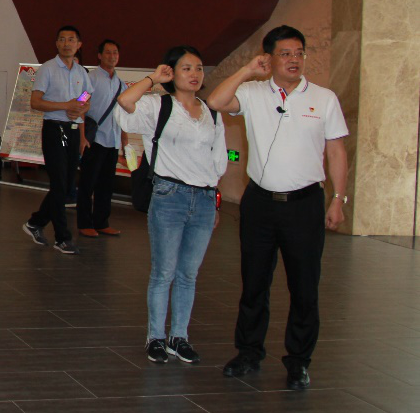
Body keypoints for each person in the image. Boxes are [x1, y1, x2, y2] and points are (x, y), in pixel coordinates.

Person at [207, 25, 348, 390]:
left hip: (305, 205)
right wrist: (246, 70)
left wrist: (338, 199)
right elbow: (216, 102)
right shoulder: (253, 93)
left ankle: (298, 361)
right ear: (269, 58)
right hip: (260, 204)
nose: (294, 59)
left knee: (304, 287)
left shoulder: (324, 98)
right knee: (254, 282)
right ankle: (249, 352)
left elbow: (336, 151)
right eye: (285, 54)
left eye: (299, 53)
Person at [117, 46, 225, 365]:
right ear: (172, 72)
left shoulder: (212, 112)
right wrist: (153, 78)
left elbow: (217, 160)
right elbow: (125, 102)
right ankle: (155, 337)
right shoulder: (158, 105)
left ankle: (179, 337)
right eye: (186, 68)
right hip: (169, 195)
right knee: (164, 271)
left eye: (199, 68)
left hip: (203, 198)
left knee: (188, 273)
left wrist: (215, 202)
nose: (195, 74)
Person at [23, 25, 92, 255]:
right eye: (62, 39)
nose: (66, 43)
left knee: (65, 185)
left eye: (71, 39)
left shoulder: (81, 72)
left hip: (73, 130)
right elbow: (35, 102)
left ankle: (36, 222)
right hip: (54, 129)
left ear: (79, 45)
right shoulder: (48, 69)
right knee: (60, 184)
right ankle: (62, 238)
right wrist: (66, 106)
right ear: (56, 43)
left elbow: (86, 97)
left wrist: (80, 108)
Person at [77, 39, 125, 237]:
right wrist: (81, 137)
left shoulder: (121, 83)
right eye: (108, 52)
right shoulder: (91, 78)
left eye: (115, 53)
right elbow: (80, 105)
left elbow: (123, 113)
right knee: (88, 183)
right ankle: (84, 223)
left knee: (106, 184)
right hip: (94, 140)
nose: (112, 56)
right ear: (99, 56)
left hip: (113, 140)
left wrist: (125, 141)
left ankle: (102, 222)